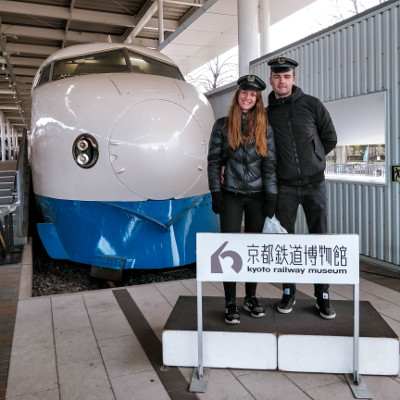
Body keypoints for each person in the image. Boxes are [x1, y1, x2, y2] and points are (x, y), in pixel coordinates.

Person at [267, 56, 338, 320]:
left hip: (314, 185)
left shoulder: (312, 104)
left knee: (319, 239)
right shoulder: (266, 114)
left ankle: (322, 294)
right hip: (284, 188)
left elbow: (330, 137)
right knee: (285, 242)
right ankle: (288, 290)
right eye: (277, 76)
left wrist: (315, 158)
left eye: (286, 76)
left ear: (293, 79)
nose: (281, 81)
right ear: (272, 81)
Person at [207, 74, 278, 324]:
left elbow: (269, 165)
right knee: (230, 248)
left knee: (253, 249)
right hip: (232, 196)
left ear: (257, 99)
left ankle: (250, 296)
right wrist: (216, 192)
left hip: (258, 197)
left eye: (253, 94)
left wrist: (271, 196)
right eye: (244, 93)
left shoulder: (265, 127)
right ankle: (229, 301)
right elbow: (214, 161)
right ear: (237, 96)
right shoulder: (222, 125)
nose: (247, 97)